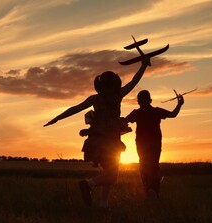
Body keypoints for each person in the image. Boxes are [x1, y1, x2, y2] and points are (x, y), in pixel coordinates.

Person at [44, 55, 151, 209]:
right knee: (112, 177)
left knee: (108, 173)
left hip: (97, 141)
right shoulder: (117, 96)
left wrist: (57, 118)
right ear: (115, 84)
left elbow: (75, 108)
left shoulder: (95, 99)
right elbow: (135, 81)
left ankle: (103, 204)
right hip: (111, 141)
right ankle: (88, 184)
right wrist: (143, 65)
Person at [125, 90, 184, 197]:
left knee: (143, 165)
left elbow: (124, 121)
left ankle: (148, 189)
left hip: (141, 145)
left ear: (138, 102)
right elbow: (173, 114)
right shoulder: (156, 111)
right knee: (154, 166)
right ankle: (154, 190)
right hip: (155, 144)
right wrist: (179, 104)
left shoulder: (136, 113)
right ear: (150, 100)